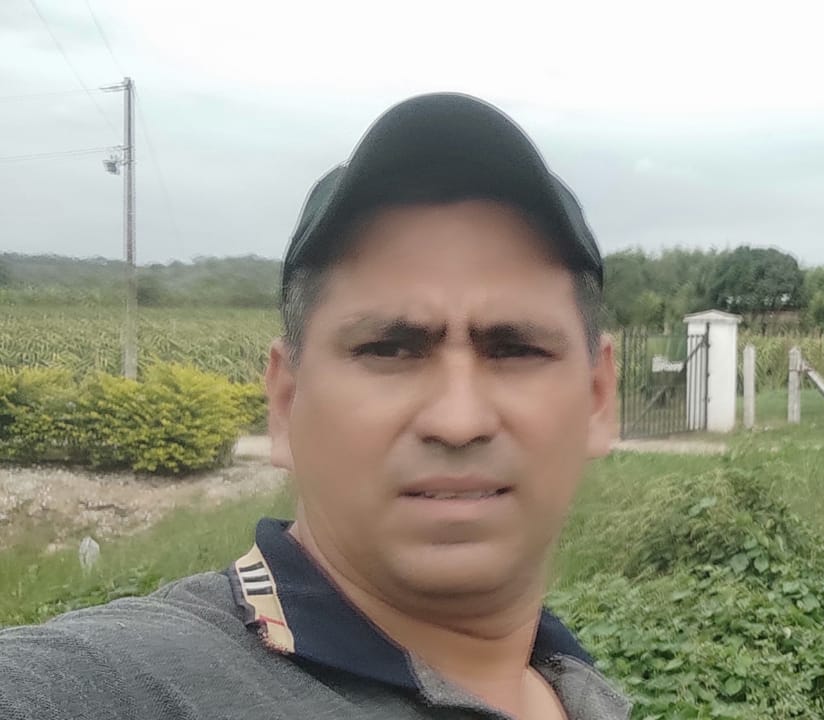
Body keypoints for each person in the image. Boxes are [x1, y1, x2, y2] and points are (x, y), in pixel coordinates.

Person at [0, 92, 631, 719]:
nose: (458, 421)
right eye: (388, 349)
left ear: (598, 400)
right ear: (285, 402)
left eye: (516, 349)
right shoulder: (123, 683)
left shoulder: (574, 687)